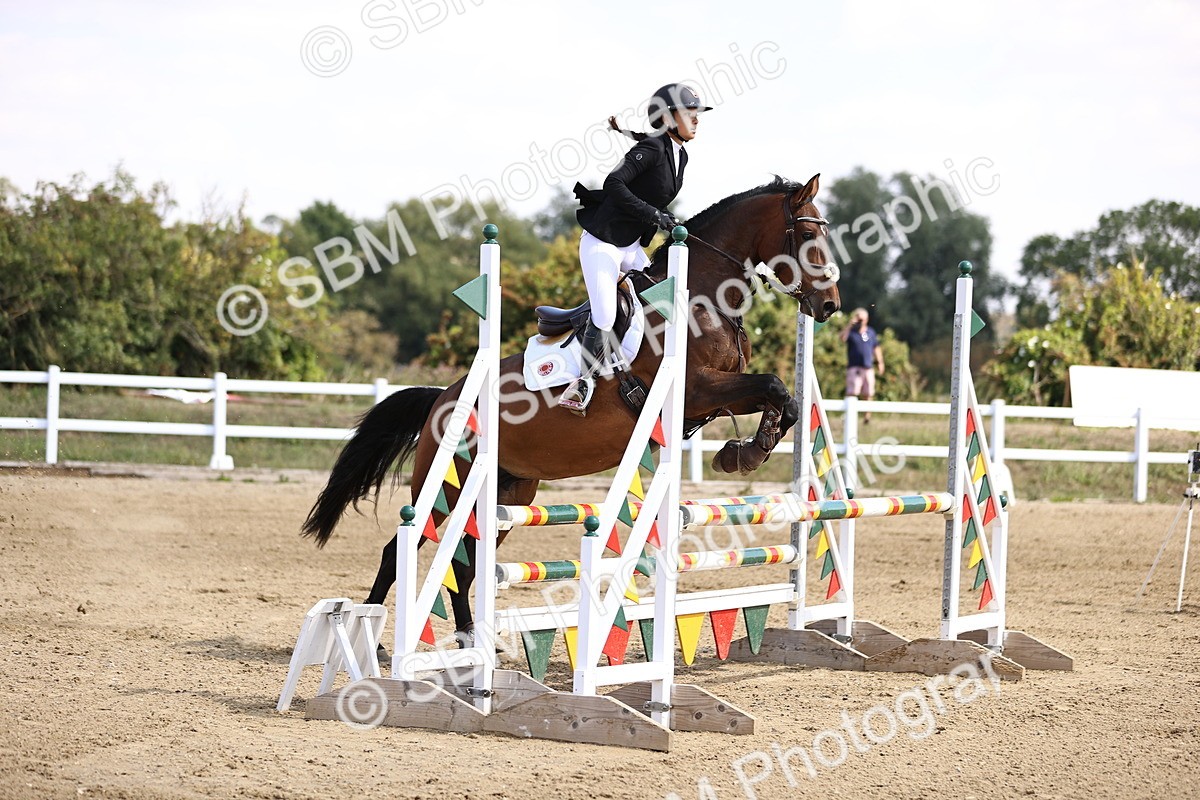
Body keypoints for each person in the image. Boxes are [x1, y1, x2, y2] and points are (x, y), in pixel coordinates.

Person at [558, 83, 712, 415]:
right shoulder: (657, 148)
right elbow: (615, 183)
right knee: (605, 314)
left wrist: (623, 130)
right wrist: (656, 216)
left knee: (663, 297)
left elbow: (644, 142)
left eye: (697, 114)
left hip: (630, 248)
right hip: (604, 244)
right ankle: (581, 382)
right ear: (669, 117)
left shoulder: (676, 153)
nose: (697, 120)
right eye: (690, 113)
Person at [840, 307, 885, 422]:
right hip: (854, 367)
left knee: (868, 393)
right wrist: (850, 325)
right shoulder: (851, 332)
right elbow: (842, 338)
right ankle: (849, 415)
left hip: (868, 367)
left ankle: (867, 416)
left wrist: (880, 362)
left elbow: (876, 347)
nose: (861, 322)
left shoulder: (870, 332)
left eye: (862, 319)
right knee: (852, 392)